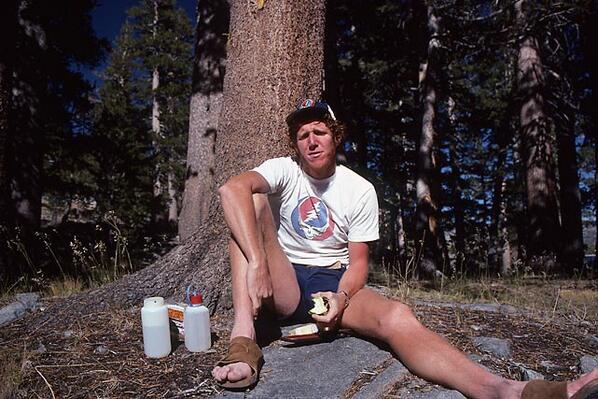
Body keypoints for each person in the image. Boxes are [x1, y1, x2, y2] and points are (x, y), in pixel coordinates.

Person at [211, 99, 598, 398]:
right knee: (250, 199)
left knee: (397, 315)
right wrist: (258, 263)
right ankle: (243, 338)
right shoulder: (284, 170)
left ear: (335, 136)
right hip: (282, 276)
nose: (311, 141)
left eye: (320, 132)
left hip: (332, 281)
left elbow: (358, 264)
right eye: (302, 136)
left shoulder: (359, 189)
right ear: (295, 145)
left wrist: (342, 298)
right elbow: (231, 189)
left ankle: (500, 390)